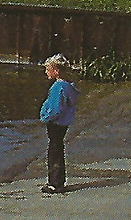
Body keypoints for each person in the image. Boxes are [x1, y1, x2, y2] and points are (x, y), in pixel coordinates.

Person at [40, 54, 80, 194]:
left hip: (56, 123)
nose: (46, 72)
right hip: (64, 122)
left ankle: (55, 183)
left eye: (48, 69)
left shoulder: (58, 87)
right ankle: (58, 181)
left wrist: (45, 117)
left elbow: (56, 108)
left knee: (54, 150)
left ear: (56, 71)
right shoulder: (68, 86)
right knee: (57, 148)